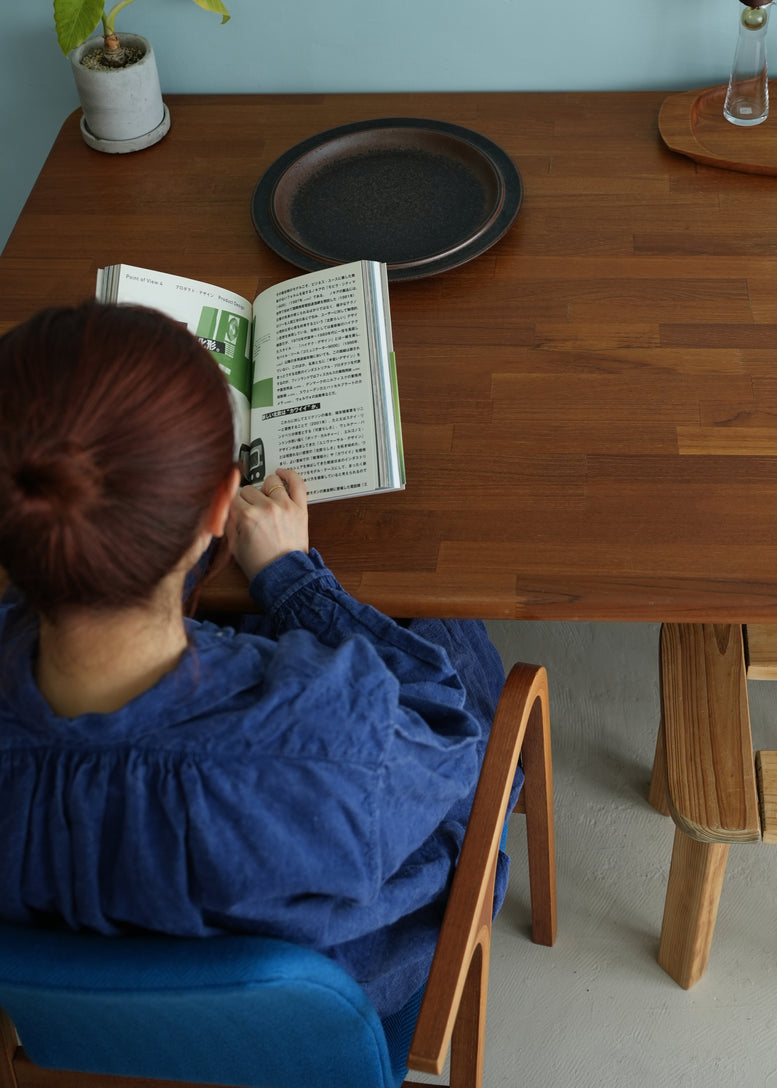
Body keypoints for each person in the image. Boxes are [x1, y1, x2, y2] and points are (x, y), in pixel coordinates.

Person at [0, 300, 514, 1018]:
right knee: (442, 647)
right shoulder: (329, 736)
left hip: (84, 1024)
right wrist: (293, 580)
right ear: (221, 508)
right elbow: (448, 734)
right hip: (325, 999)